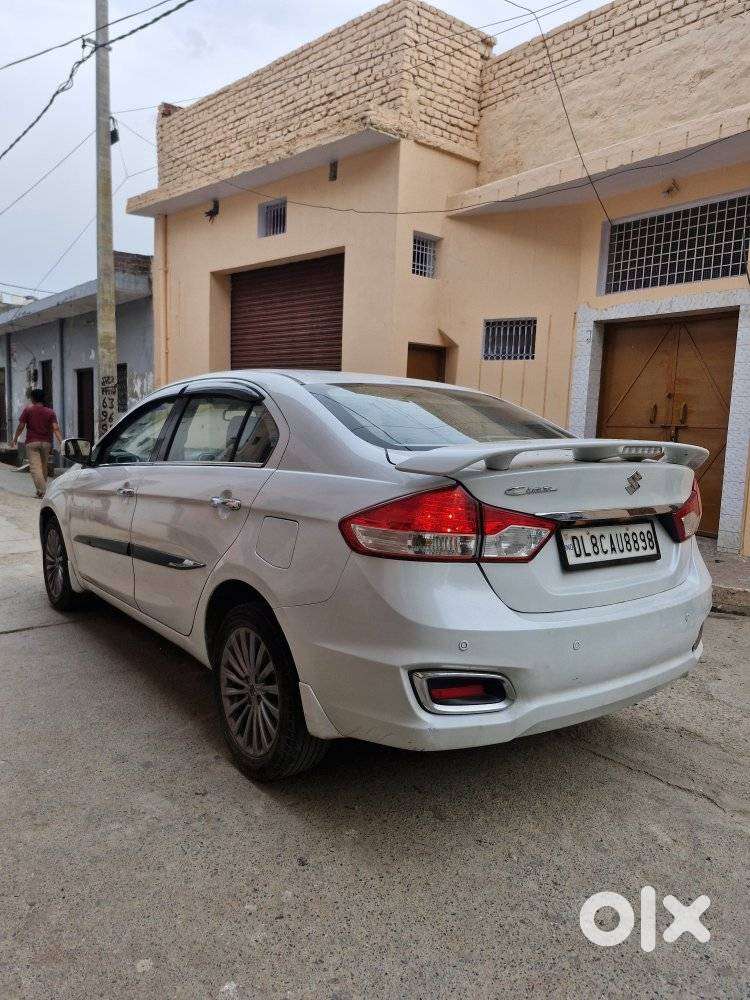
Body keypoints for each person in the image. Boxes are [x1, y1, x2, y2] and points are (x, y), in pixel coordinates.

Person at [11, 388, 63, 498]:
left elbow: (21, 426)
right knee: (43, 467)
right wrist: (61, 442)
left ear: (33, 399)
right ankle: (40, 491)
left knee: (35, 468)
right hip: (46, 443)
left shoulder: (28, 410)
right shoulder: (50, 412)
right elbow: (56, 428)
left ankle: (44, 491)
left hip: (32, 443)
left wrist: (15, 438)